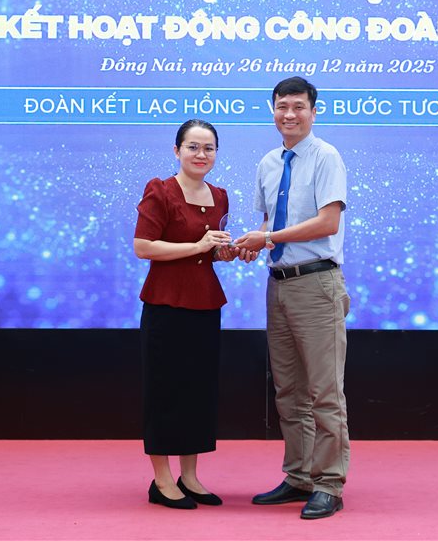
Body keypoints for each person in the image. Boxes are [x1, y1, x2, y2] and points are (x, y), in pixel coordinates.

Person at [234, 77, 351, 520]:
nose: (290, 114)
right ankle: (300, 475)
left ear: (313, 111)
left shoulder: (326, 157)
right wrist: (247, 244)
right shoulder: (268, 163)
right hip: (278, 283)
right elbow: (269, 225)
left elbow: (327, 222)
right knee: (289, 390)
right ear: (273, 110)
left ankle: (329, 483)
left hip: (317, 284)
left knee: (324, 391)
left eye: (298, 106)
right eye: (282, 106)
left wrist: (267, 238)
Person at [133, 119, 258, 510]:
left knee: (198, 391)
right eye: (193, 147)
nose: (201, 154)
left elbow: (209, 252)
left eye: (209, 148)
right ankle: (161, 480)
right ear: (177, 151)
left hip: (204, 304)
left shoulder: (219, 196)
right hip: (166, 305)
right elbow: (143, 247)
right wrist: (197, 246)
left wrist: (227, 251)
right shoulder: (160, 190)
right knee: (164, 390)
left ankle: (189, 476)